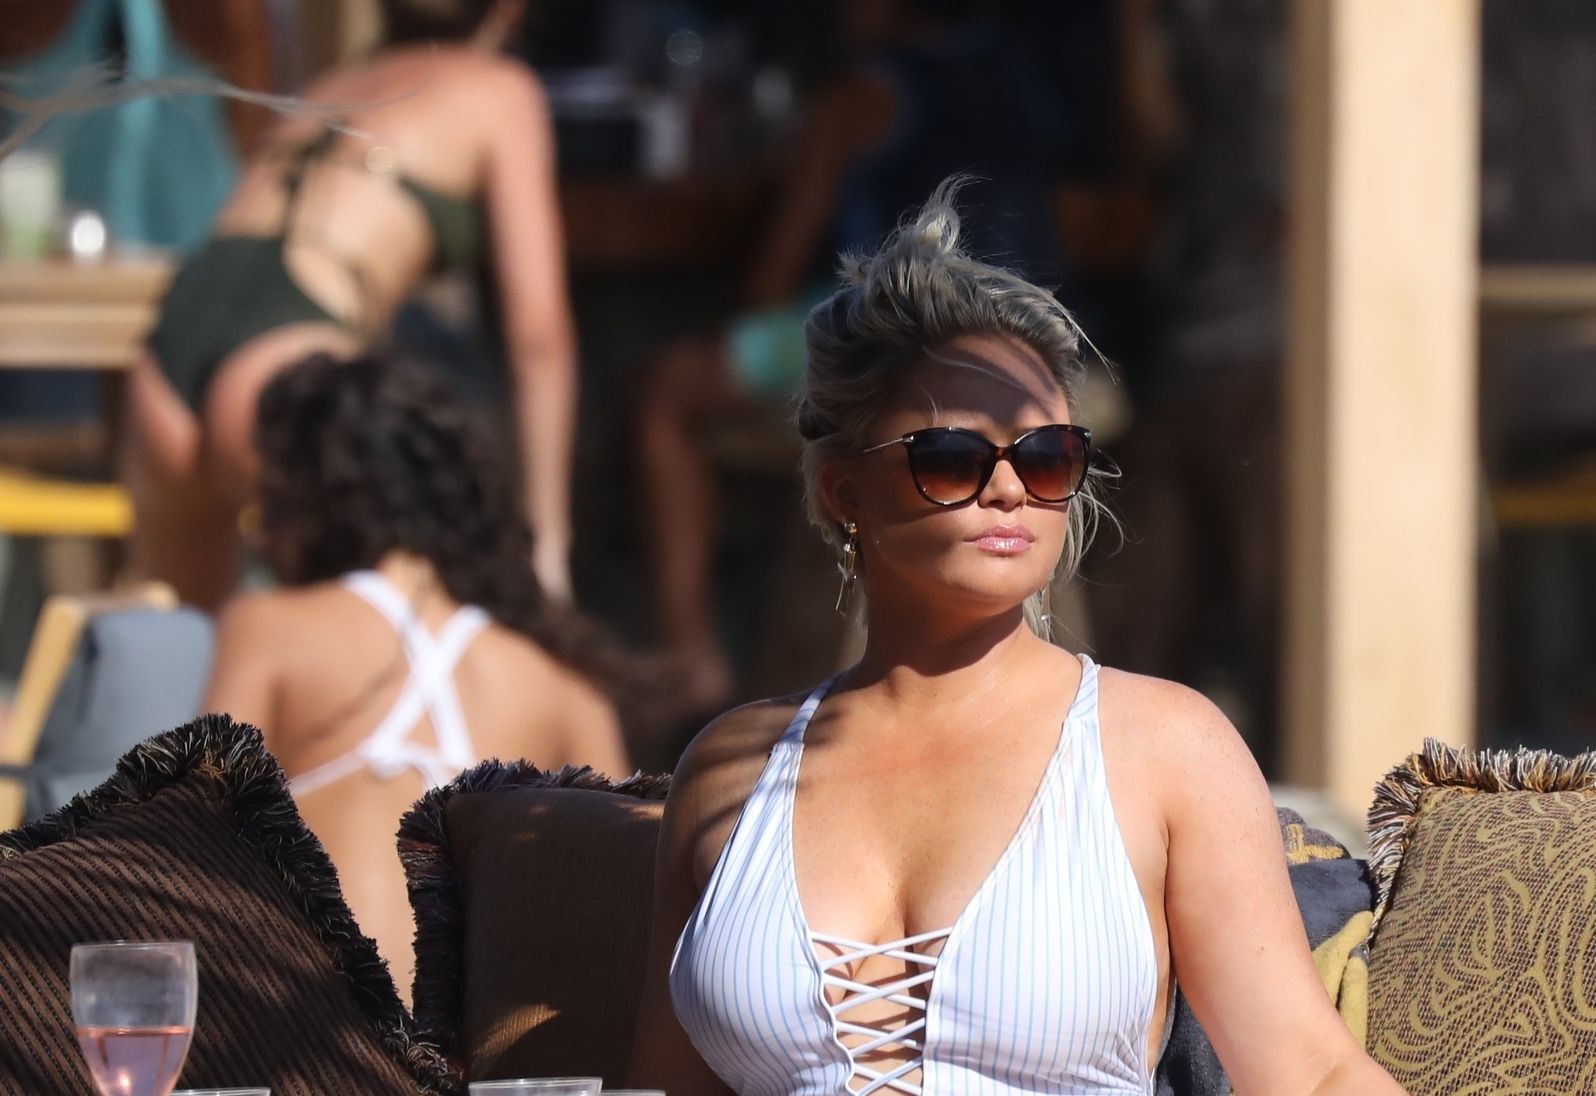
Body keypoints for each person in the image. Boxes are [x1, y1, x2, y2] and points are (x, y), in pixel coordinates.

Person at [630, 185, 1487, 1096]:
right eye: (952, 457)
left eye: (1045, 458)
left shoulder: (1163, 743)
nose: (1008, 489)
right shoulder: (732, 767)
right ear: (842, 490)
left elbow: (1308, 1082)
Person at [632, 0, 1066, 711]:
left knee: (667, 390)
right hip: (1032, 332)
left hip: (907, 327)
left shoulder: (858, 96)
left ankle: (690, 652)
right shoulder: (1017, 73)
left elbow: (773, 277)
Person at [201, 352, 635, 998]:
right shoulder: (562, 673)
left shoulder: (267, 627)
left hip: (309, 1030)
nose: (261, 538)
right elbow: (628, 901)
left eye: (268, 507)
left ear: (316, 502)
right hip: (487, 1049)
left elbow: (193, 847)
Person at [125, 0, 576, 611]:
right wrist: (547, 541)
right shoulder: (501, 89)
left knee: (185, 651)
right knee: (392, 630)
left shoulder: (331, 83)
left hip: (178, 331)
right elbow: (538, 333)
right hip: (289, 341)